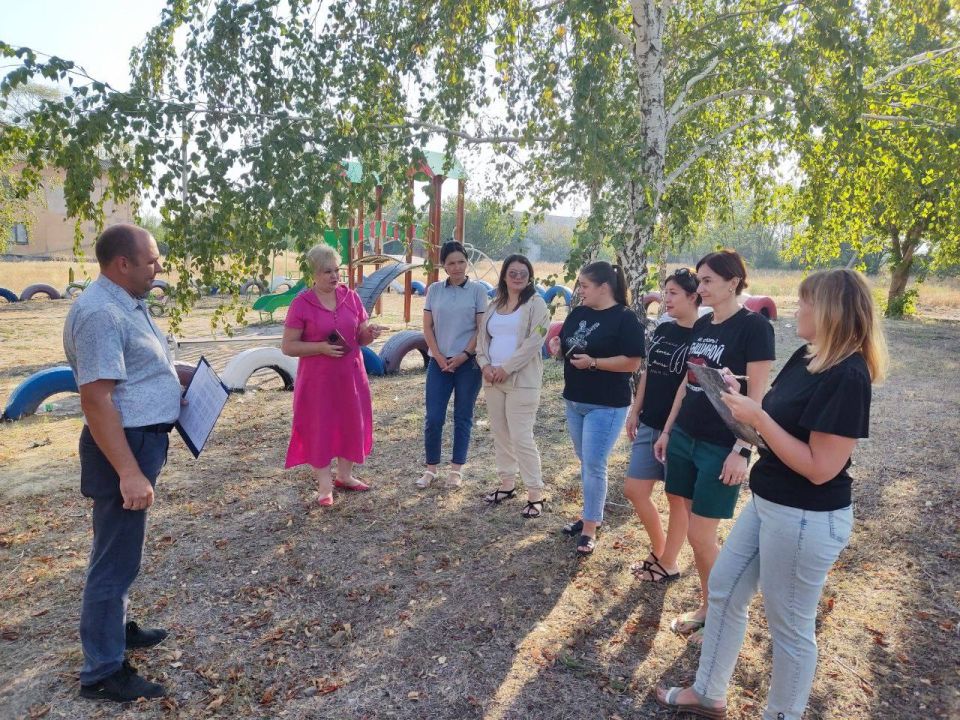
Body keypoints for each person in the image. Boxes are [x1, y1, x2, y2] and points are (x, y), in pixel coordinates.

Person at [655, 268, 887, 720]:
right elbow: (776, 421)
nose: (796, 308)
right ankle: (708, 693)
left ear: (831, 312)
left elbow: (821, 469)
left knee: (790, 628)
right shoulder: (808, 354)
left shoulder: (848, 375)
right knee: (723, 588)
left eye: (805, 302)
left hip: (807, 518)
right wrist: (736, 396)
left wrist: (758, 418)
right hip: (769, 503)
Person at [63, 224, 180, 702]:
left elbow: (134, 371)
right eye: (151, 260)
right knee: (113, 559)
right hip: (122, 451)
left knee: (119, 552)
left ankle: (115, 631)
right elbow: (96, 401)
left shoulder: (126, 302)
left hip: (139, 442)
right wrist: (129, 471)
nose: (159, 267)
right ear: (122, 264)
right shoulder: (98, 314)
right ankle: (103, 671)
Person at [653, 249, 774, 641]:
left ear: (733, 282)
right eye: (699, 281)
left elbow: (757, 397)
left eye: (707, 281)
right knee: (696, 533)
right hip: (686, 437)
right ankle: (710, 606)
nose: (699, 288)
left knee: (701, 536)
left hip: (721, 447)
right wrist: (669, 431)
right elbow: (687, 385)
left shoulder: (755, 328)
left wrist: (743, 450)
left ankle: (721, 614)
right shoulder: (703, 325)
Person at [547, 261, 645, 555]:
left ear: (604, 287)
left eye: (584, 286)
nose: (579, 291)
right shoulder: (578, 313)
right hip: (575, 399)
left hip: (606, 405)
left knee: (593, 464)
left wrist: (594, 363)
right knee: (586, 460)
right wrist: (557, 348)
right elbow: (567, 346)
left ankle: (590, 527)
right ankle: (590, 514)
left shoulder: (625, 319)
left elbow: (633, 362)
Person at [282, 243, 384, 506]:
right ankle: (325, 487)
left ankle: (345, 476)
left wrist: (369, 334)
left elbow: (360, 337)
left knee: (351, 423)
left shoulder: (351, 297)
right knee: (320, 427)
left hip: (351, 377)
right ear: (314, 274)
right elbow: (288, 346)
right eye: (327, 271)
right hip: (317, 382)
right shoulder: (300, 304)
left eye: (337, 270)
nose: (334, 276)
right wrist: (320, 348)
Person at [623, 268, 700, 583]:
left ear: (693, 297)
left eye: (673, 293)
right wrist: (634, 410)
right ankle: (661, 548)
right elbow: (648, 373)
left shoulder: (702, 336)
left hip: (679, 429)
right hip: (649, 422)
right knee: (634, 489)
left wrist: (670, 430)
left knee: (676, 497)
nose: (665, 299)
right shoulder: (665, 329)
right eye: (665, 292)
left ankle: (669, 562)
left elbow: (688, 386)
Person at [475, 254, 551, 518]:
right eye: (513, 272)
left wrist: (505, 369)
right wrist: (485, 365)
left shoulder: (537, 304)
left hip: (521, 381)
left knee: (521, 437)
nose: (518, 277)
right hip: (492, 380)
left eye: (523, 273)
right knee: (501, 433)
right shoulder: (493, 305)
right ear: (504, 275)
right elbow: (482, 342)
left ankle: (535, 493)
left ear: (530, 276)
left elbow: (534, 343)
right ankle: (507, 484)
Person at [416, 240, 489, 489]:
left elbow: (481, 328)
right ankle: (431, 469)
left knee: (463, 416)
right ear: (444, 266)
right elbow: (427, 326)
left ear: (467, 262)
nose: (457, 267)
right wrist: (437, 356)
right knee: (434, 417)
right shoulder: (435, 290)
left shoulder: (478, 291)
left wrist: (465, 355)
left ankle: (456, 470)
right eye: (451, 263)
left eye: (461, 262)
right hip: (439, 363)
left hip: (467, 365)